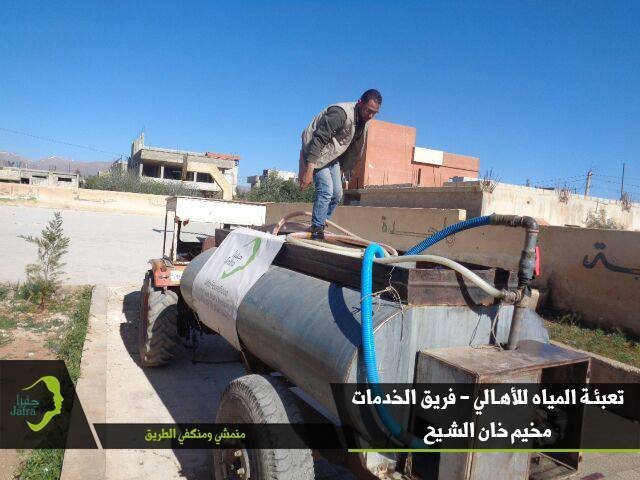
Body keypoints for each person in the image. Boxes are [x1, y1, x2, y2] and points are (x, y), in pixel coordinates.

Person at [299, 89, 382, 239]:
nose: (370, 116)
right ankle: (317, 229)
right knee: (326, 190)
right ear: (360, 103)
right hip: (315, 150)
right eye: (368, 111)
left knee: (337, 194)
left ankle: (321, 223)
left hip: (331, 155)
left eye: (374, 113)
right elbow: (319, 139)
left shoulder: (364, 122)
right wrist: (308, 170)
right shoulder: (341, 113)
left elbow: (351, 147)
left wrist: (344, 168)